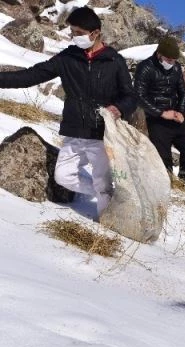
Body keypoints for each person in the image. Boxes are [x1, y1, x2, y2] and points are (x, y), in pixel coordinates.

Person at [0, 6, 136, 215]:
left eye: (79, 33)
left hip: (101, 134)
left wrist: (118, 108)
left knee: (102, 180)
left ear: (95, 33)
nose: (75, 37)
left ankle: (108, 222)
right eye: (72, 32)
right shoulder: (68, 58)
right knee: (63, 177)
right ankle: (106, 195)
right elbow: (31, 75)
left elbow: (130, 96)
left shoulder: (113, 61)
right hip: (74, 131)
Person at [134, 36, 185, 188]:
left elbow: (183, 92)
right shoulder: (145, 67)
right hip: (157, 118)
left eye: (174, 60)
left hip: (176, 117)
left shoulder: (176, 68)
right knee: (163, 155)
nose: (171, 63)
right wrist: (161, 113)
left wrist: (181, 112)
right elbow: (139, 96)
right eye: (168, 59)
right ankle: (166, 184)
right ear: (159, 54)